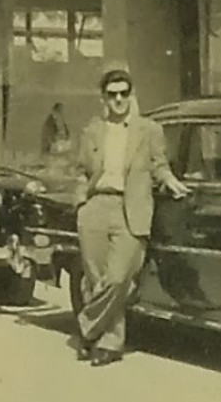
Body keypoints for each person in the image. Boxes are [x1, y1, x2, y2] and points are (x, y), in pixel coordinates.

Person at [72, 65, 190, 366]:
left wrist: (170, 180)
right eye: (112, 95)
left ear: (131, 95)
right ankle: (108, 342)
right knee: (96, 278)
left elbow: (159, 164)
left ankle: (87, 328)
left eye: (124, 94)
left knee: (118, 277)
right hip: (96, 206)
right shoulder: (92, 130)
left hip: (131, 208)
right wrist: (80, 204)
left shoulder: (149, 130)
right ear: (103, 99)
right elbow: (82, 170)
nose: (119, 100)